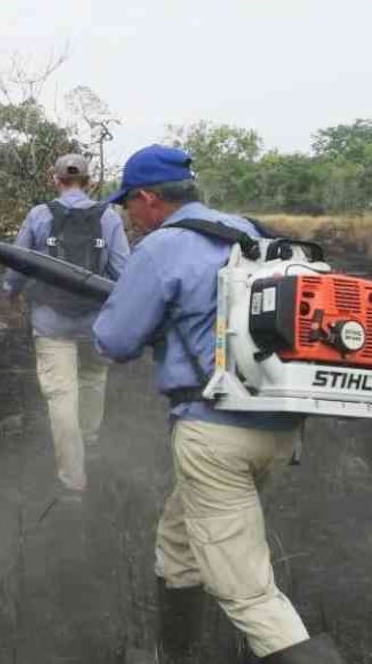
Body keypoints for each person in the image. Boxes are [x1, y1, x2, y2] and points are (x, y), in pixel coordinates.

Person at [92, 145, 345, 663]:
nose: (128, 216)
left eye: (128, 206)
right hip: (278, 428)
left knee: (250, 593)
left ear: (148, 199)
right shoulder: (255, 234)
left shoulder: (163, 248)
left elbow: (114, 342)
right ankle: (173, 654)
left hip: (213, 436)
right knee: (180, 543)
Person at [4, 153, 130, 500]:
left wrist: (10, 293)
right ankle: (89, 442)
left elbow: (18, 262)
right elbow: (123, 272)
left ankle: (73, 479)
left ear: (54, 178)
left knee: (61, 394)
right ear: (90, 181)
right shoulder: (110, 217)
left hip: (50, 320)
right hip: (95, 321)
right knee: (92, 379)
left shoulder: (39, 214)